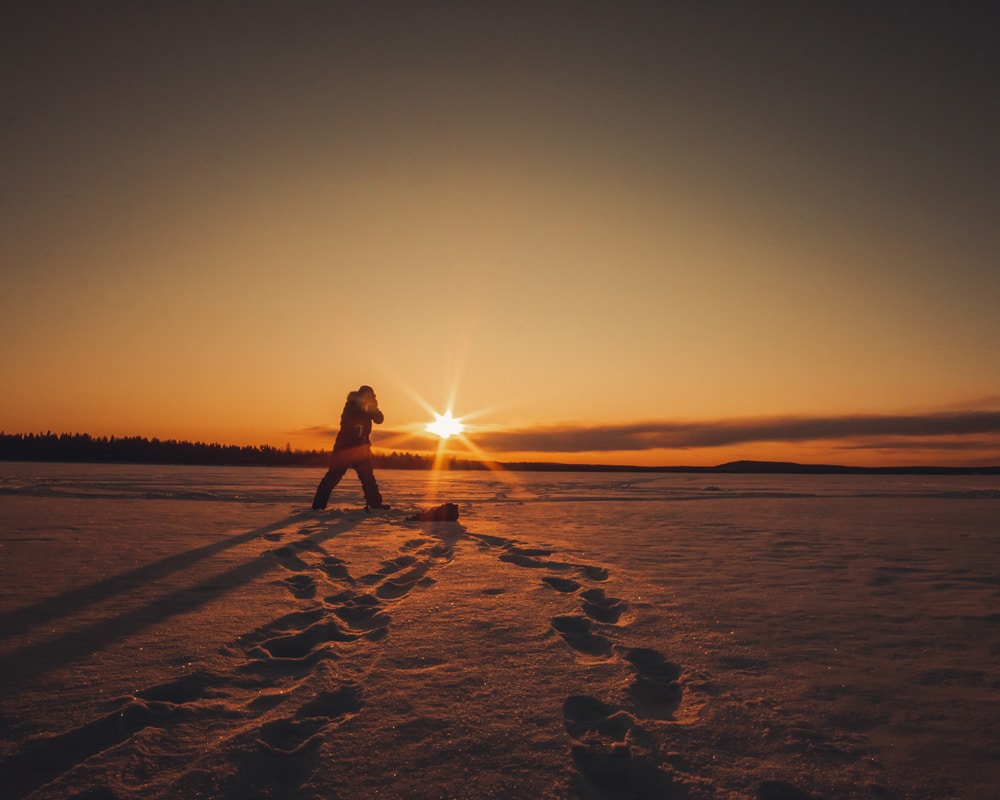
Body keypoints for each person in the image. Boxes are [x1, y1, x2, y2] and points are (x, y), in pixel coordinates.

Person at [312, 385, 389, 511]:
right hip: (345, 448)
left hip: (361, 449)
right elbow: (347, 423)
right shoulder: (351, 406)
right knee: (333, 476)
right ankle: (318, 505)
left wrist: (373, 408)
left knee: (368, 478)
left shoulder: (369, 408)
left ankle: (375, 504)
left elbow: (379, 419)